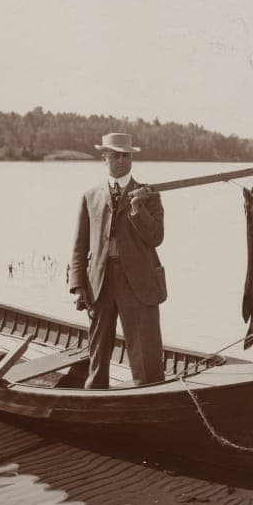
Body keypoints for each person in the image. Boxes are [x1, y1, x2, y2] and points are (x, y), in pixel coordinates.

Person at [68, 133, 167, 388]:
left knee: (146, 354)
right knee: (98, 350)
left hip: (139, 283)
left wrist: (138, 208)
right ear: (104, 158)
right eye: (115, 156)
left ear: (131, 158)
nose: (121, 161)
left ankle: (149, 395)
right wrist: (78, 286)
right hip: (99, 283)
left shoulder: (150, 195)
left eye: (126, 156)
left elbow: (156, 238)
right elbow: (79, 246)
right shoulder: (90, 196)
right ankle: (95, 396)